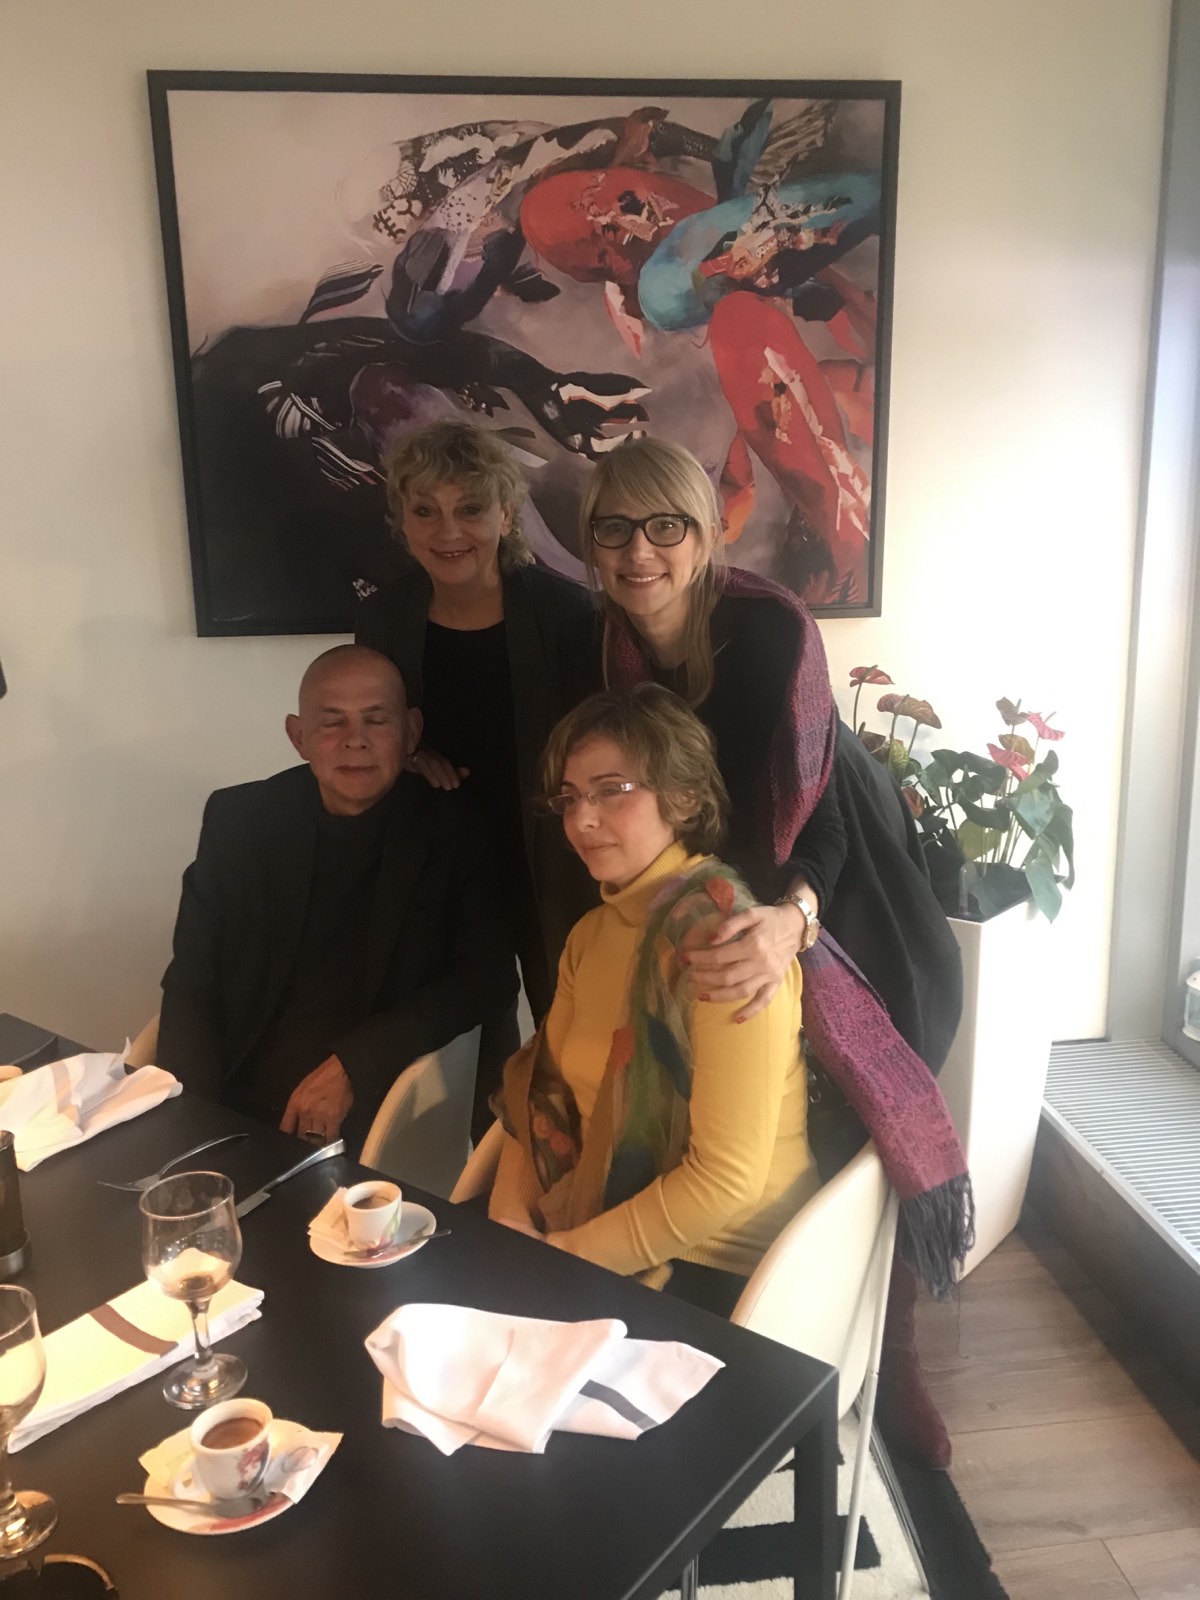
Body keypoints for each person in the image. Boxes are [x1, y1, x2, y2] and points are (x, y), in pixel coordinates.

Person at [582, 436, 969, 1467]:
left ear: (708, 534)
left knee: (859, 1125)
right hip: (714, 887)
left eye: (666, 525)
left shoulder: (768, 631)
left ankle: (892, 1353)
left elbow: (818, 812)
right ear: (591, 542)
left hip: (838, 879)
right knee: (731, 1117)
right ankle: (738, 1315)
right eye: (615, 528)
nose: (640, 551)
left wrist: (792, 920)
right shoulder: (607, 642)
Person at [488, 684, 820, 1316]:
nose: (581, 820)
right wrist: (510, 1228)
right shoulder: (592, 934)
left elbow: (724, 1182)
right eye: (570, 797)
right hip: (590, 1231)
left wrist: (561, 1259)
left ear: (684, 797)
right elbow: (541, 1098)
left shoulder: (727, 941)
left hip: (728, 1272)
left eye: (611, 789)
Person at [156, 644, 517, 1151]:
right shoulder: (240, 820)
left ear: (412, 731)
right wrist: (188, 1121)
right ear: (298, 737)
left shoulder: (456, 829)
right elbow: (191, 980)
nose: (355, 741)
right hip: (234, 1090)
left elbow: (487, 977)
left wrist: (355, 1063)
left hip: (376, 1102)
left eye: (376, 720)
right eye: (332, 722)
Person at [355, 420, 602, 1122]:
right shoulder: (386, 617)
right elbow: (376, 727)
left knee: (574, 1043)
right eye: (425, 510)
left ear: (506, 514)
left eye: (469, 508)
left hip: (551, 860)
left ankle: (574, 1174)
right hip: (448, 868)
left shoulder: (565, 614)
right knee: (470, 1064)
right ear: (402, 519)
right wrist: (407, 756)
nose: (447, 530)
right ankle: (484, 1179)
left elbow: (603, 742)